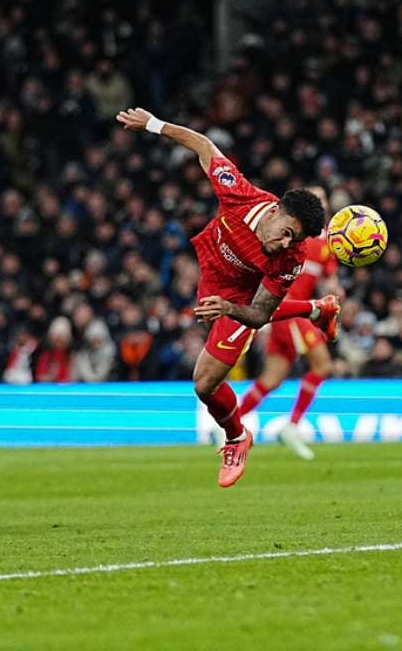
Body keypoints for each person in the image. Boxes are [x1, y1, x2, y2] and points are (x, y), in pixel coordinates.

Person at [116, 108, 337, 488]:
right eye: (286, 232)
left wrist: (229, 308)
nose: (285, 243)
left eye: (295, 240)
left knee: (204, 384)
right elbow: (203, 145)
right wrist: (153, 125)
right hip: (213, 273)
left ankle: (237, 437)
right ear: (276, 210)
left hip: (240, 298)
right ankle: (318, 309)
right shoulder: (240, 194)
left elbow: (261, 313)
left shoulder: (291, 258)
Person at [236, 187, 339, 461]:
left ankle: (230, 425)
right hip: (290, 310)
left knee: (271, 379)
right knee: (323, 365)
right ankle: (292, 427)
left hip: (295, 312)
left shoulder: (327, 245)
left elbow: (330, 279)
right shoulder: (290, 236)